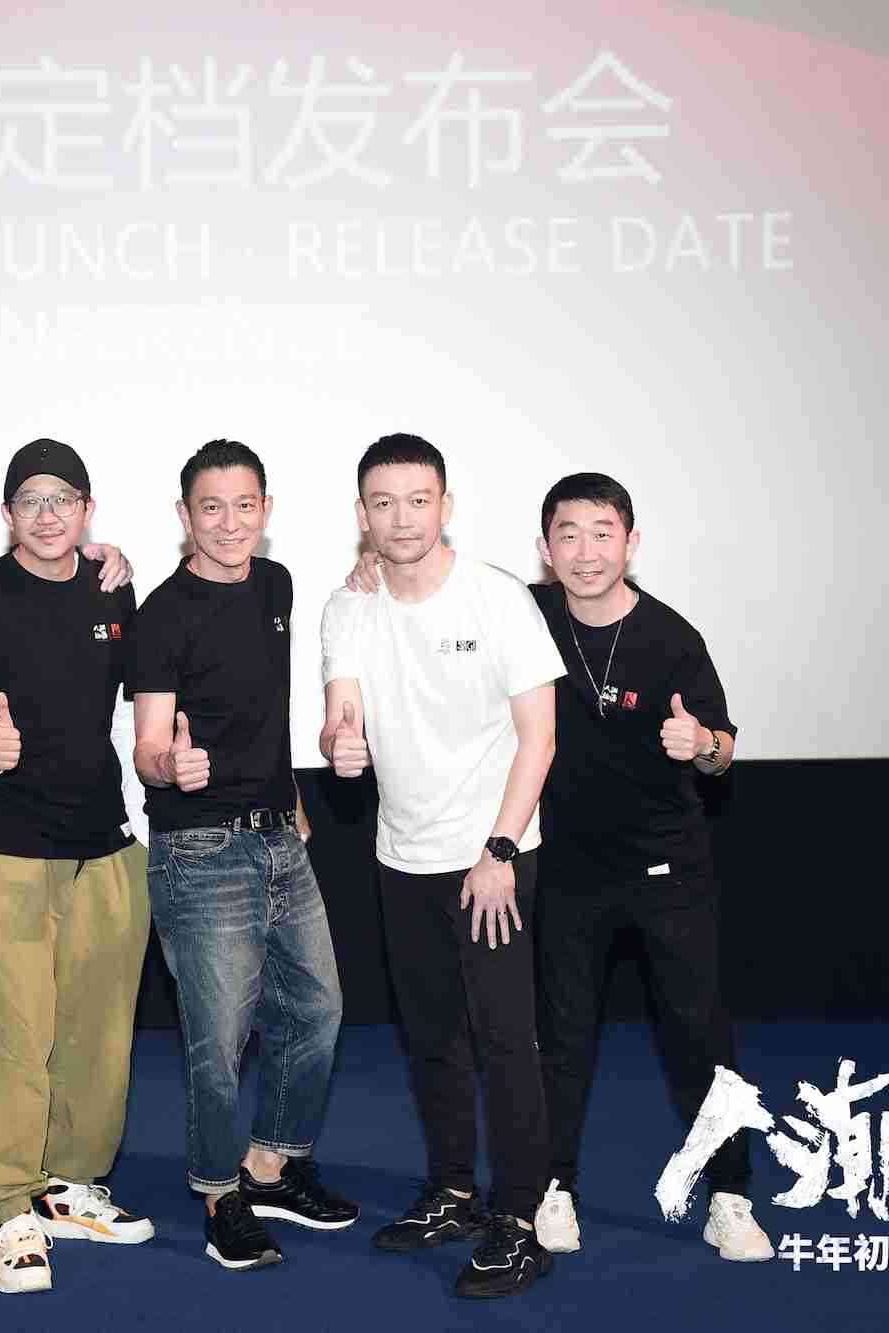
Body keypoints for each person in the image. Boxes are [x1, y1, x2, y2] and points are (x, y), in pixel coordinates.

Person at [319, 433, 564, 1300]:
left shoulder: (498, 598)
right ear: (362, 514)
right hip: (402, 856)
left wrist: (500, 850)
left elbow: (540, 737)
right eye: (384, 503)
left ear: (445, 505)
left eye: (418, 500)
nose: (402, 518)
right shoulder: (347, 607)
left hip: (492, 858)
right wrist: (339, 743)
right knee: (431, 1040)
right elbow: (341, 713)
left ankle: (520, 1220)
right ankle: (455, 1191)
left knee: (506, 1043)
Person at [522, 472, 774, 1262]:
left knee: (701, 1035)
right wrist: (371, 567)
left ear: (631, 542)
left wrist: (700, 744)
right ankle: (553, 1186)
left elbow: (725, 750)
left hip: (668, 867)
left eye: (603, 533)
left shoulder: (672, 638)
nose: (586, 551)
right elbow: (438, 593)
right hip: (569, 866)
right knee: (562, 1038)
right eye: (568, 534)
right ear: (545, 547)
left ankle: (730, 1195)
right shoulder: (527, 618)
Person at [0, 438, 154, 1295]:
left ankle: (69, 1184)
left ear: (88, 509)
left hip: (107, 850)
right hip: (7, 852)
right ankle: (12, 1207)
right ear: (6, 515)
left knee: (99, 1039)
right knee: (11, 1038)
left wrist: (138, 824)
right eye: (31, 499)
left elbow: (134, 714)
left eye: (64, 498)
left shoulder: (113, 587)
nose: (49, 513)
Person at [128, 440, 356, 1274]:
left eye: (245, 505)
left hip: (279, 838)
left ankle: (269, 1166)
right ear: (184, 516)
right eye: (211, 507)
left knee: (318, 1009)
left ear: (267, 508)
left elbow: (267, 706)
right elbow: (148, 744)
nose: (230, 523)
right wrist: (170, 764)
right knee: (218, 1040)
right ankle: (220, 1194)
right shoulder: (162, 614)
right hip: (199, 849)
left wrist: (290, 804)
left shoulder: (277, 585)